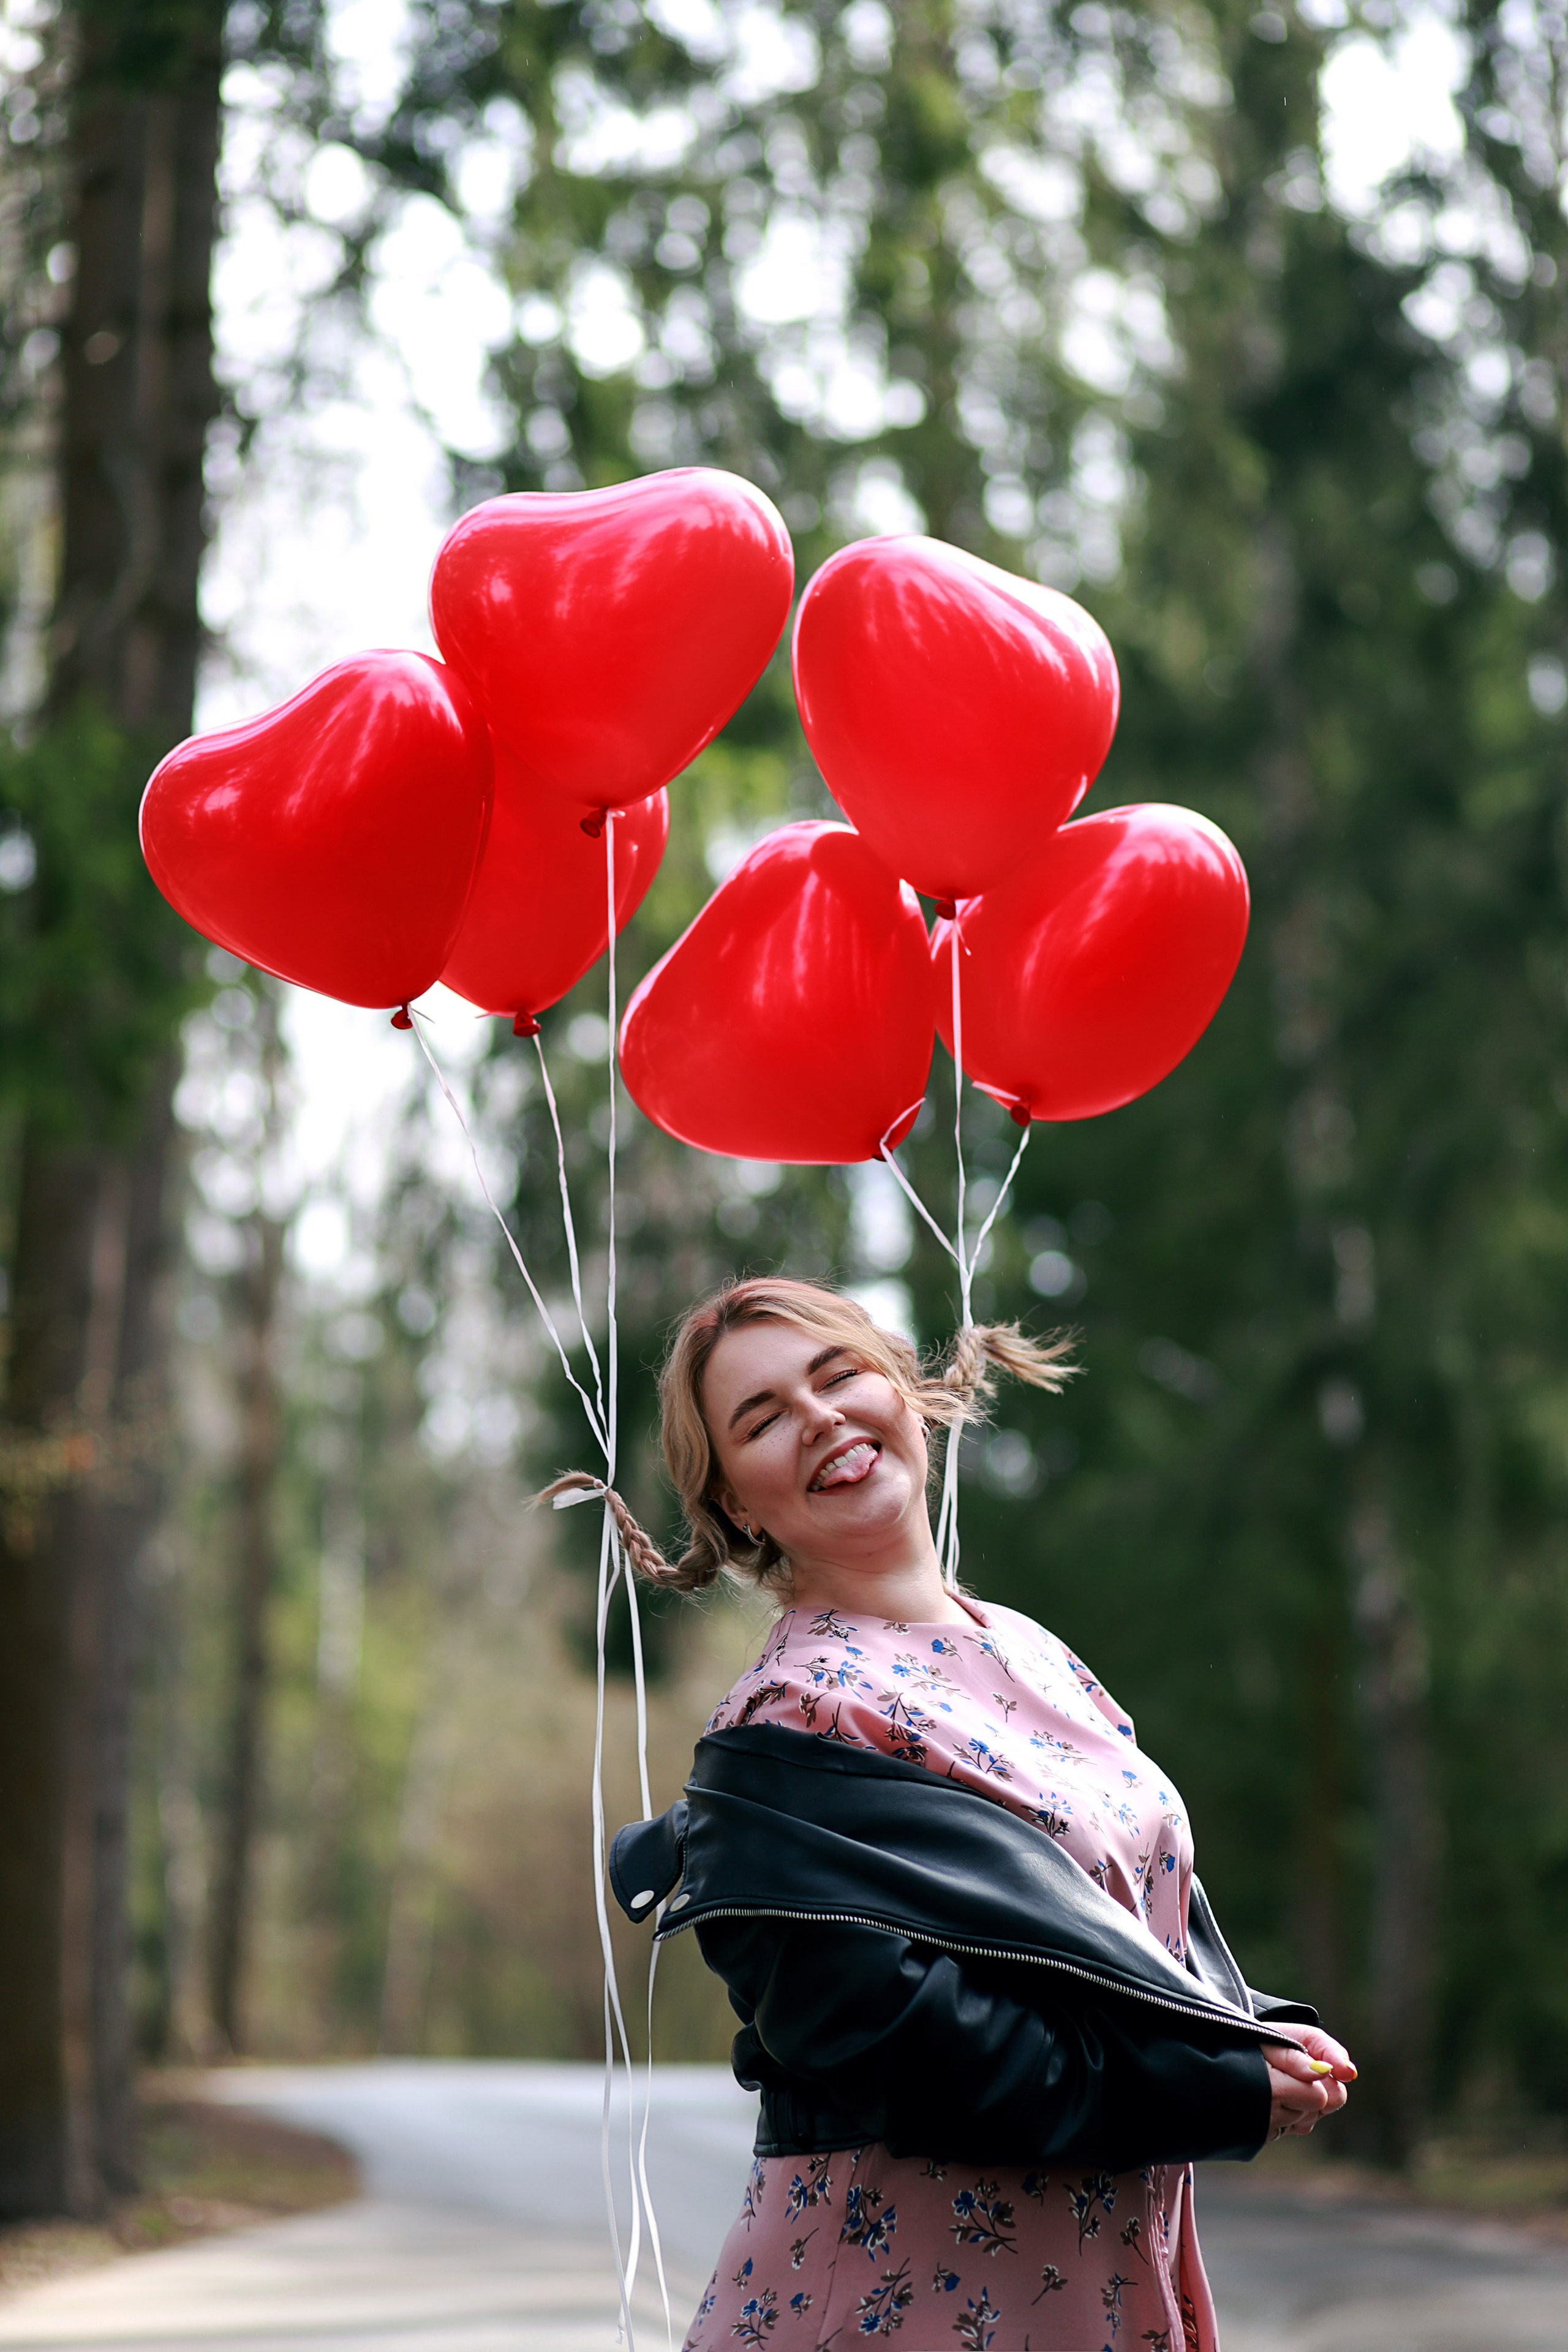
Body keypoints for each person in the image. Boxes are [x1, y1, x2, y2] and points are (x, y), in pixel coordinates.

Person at [554, 1277, 1354, 2352]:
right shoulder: (788, 1726)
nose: (821, 1417)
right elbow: (917, 2052)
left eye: (838, 1374)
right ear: (736, 1502)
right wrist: (1214, 2091)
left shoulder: (1031, 1649)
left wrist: (1246, 2030)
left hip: (1103, 2291)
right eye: (764, 1418)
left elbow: (1095, 1931)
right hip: (907, 2306)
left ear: (901, 1389)